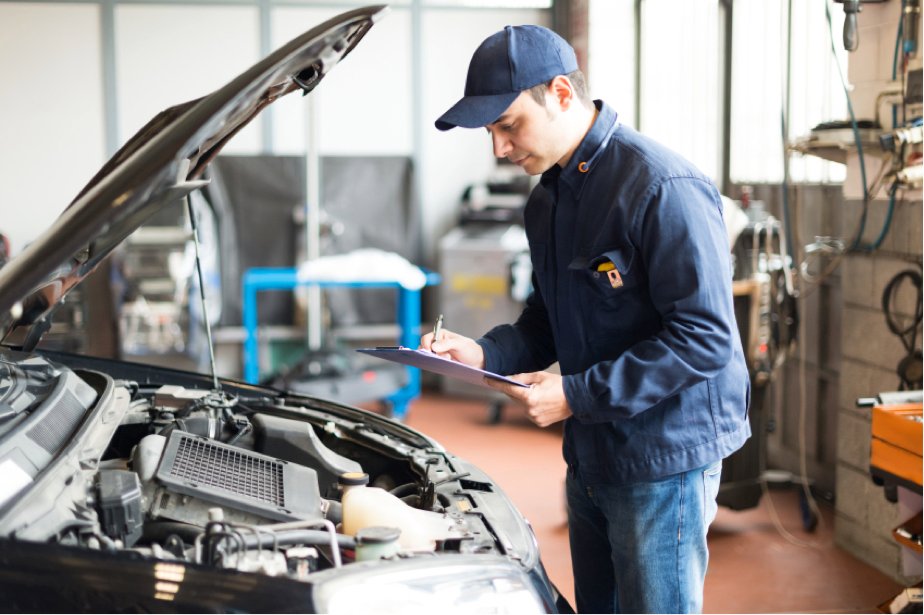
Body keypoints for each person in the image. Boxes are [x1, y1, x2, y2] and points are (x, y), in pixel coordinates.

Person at [421, 25, 751, 614]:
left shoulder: (661, 186)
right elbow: (547, 318)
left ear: (561, 94)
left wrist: (576, 394)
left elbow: (706, 338)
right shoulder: (547, 199)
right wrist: (484, 354)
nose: (498, 148)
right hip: (592, 452)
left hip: (663, 457)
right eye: (491, 132)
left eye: (508, 125)